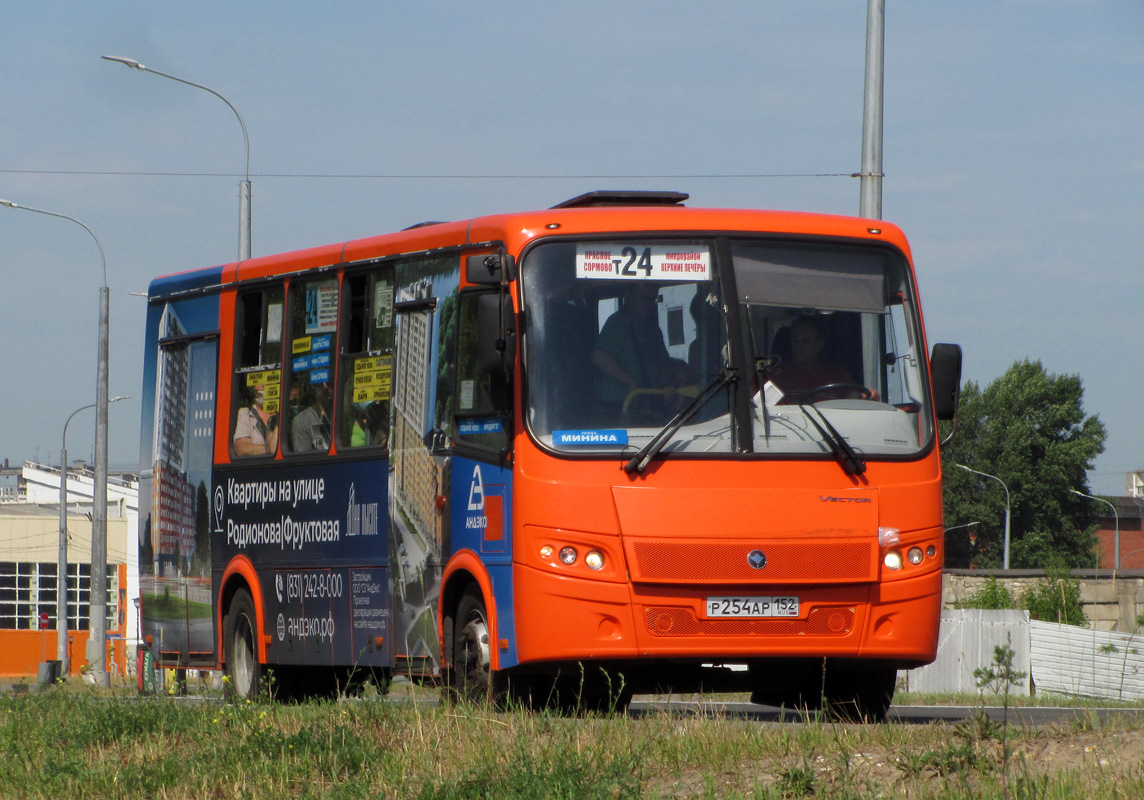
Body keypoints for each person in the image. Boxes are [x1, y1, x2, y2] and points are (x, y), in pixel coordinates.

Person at [591, 282, 687, 417]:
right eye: (643, 299)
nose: (648, 305)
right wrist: (631, 382)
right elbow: (599, 357)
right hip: (621, 406)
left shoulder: (653, 329)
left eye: (652, 300)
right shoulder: (617, 323)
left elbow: (662, 363)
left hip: (650, 405)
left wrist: (670, 382)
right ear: (628, 295)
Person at [234, 383, 279, 456]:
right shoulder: (246, 413)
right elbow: (241, 448)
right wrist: (269, 449)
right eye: (262, 386)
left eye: (267, 386)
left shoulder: (281, 414)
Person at [291, 382, 332, 452]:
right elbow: (303, 458)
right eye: (320, 385)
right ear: (314, 389)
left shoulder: (345, 415)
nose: (326, 388)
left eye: (329, 384)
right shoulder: (302, 420)